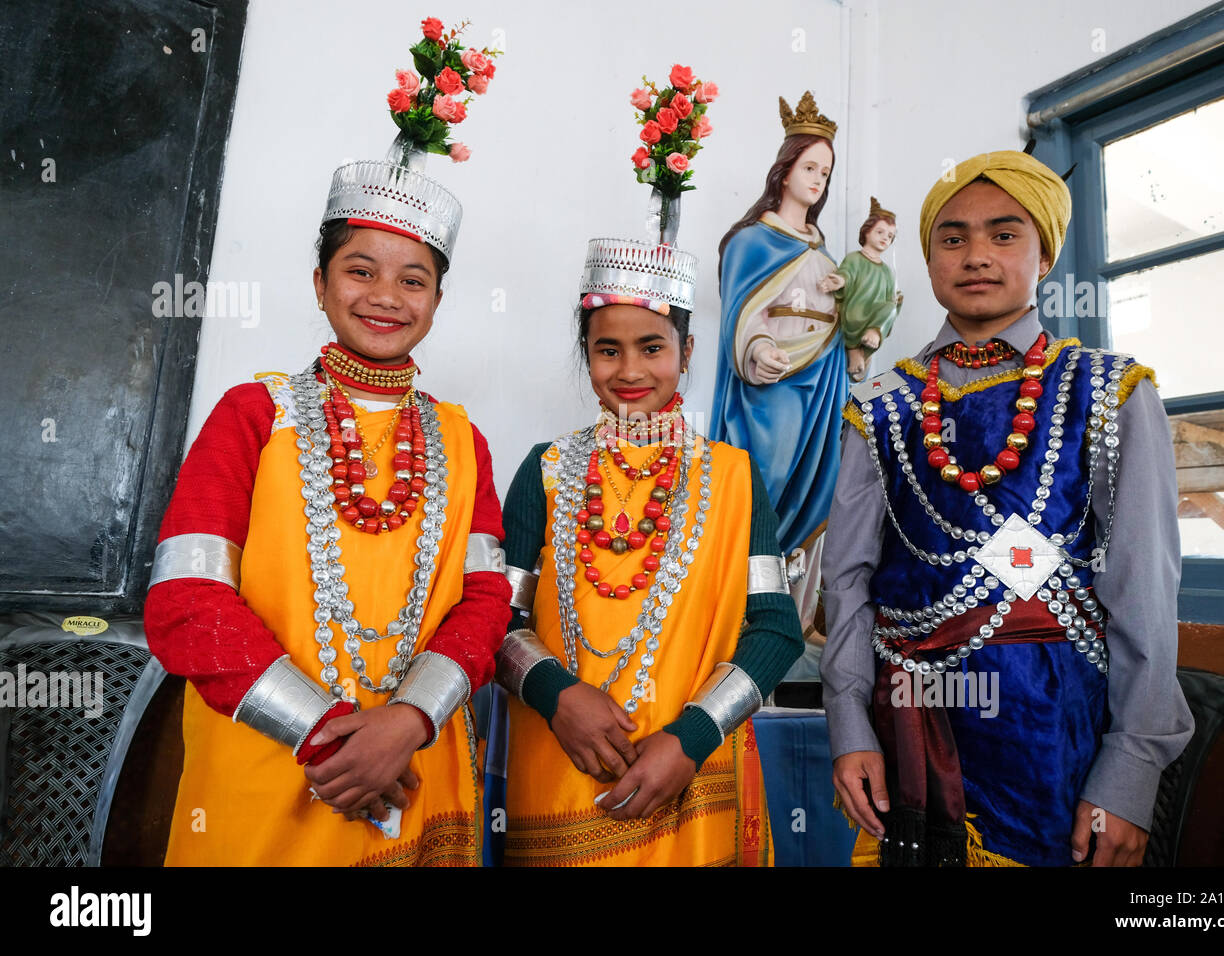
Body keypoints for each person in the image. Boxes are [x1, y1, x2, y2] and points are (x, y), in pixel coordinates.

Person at [143, 139, 511, 866]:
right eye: (360, 270)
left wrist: (407, 721)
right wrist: (334, 739)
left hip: (415, 766)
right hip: (269, 768)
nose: (384, 296)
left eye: (413, 280)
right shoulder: (252, 414)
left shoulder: (461, 438)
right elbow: (187, 601)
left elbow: (486, 601)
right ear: (319, 283)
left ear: (437, 300)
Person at [821, 150, 1193, 867]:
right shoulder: (880, 407)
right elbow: (846, 582)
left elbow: (1144, 591)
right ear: (928, 261)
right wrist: (849, 728)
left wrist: (1130, 773)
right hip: (905, 731)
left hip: (1054, 738)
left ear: (1045, 253)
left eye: (1004, 233)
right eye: (952, 237)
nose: (977, 256)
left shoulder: (1110, 392)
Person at [494, 237, 804, 866]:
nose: (629, 371)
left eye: (652, 347)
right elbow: (497, 619)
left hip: (686, 780)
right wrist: (558, 696)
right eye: (607, 350)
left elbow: (775, 630)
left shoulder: (735, 478)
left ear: (686, 353)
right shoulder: (545, 471)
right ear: (587, 356)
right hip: (558, 776)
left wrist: (690, 739)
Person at [710, 92, 845, 597]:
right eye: (810, 167)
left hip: (823, 379)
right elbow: (742, 311)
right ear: (784, 171)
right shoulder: (752, 241)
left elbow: (840, 317)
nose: (817, 180)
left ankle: (789, 595)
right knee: (768, 473)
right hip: (775, 382)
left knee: (819, 478)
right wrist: (759, 349)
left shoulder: (823, 250)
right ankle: (744, 586)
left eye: (825, 173)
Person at [820, 197, 904, 382]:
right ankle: (854, 350)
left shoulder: (887, 272)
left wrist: (897, 302)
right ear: (866, 232)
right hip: (855, 313)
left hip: (873, 325)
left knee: (892, 307)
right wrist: (839, 281)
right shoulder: (855, 259)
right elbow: (846, 274)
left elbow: (889, 303)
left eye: (890, 236)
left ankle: (863, 349)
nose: (885, 237)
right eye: (880, 231)